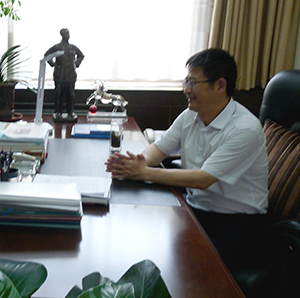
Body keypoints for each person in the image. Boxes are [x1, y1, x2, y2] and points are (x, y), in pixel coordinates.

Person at [105, 48, 269, 269]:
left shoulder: (244, 129)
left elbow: (204, 179)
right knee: (138, 237)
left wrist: (144, 172)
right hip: (196, 207)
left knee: (180, 267)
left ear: (220, 85)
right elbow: (159, 149)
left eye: (193, 82)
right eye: (186, 82)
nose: (186, 89)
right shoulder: (191, 115)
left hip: (236, 223)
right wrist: (137, 162)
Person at [44, 28, 84, 121]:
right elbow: (46, 55)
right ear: (62, 35)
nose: (68, 35)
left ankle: (71, 112)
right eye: (66, 34)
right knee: (59, 93)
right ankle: (58, 112)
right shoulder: (57, 47)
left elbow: (81, 55)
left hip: (70, 74)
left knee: (70, 94)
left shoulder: (73, 47)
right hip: (60, 74)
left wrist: (77, 63)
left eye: (68, 33)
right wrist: (53, 64)